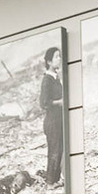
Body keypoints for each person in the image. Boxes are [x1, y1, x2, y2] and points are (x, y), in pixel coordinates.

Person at [39, 45, 65, 186]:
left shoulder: (56, 77)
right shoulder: (47, 80)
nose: (59, 59)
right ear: (49, 61)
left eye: (59, 56)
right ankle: (50, 183)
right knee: (54, 151)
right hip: (52, 122)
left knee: (59, 149)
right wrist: (59, 102)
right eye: (56, 56)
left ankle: (55, 180)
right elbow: (43, 103)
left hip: (58, 120)